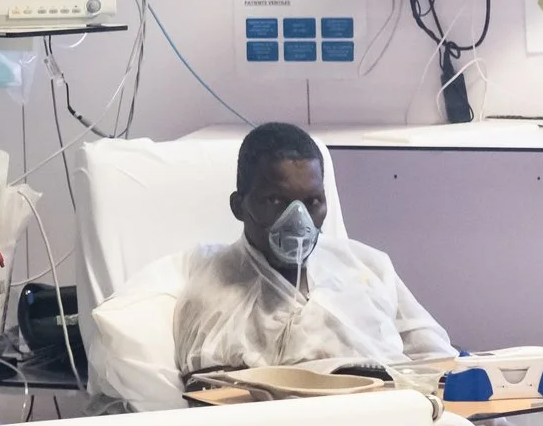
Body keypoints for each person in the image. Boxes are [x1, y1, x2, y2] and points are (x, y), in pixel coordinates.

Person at [172, 121, 451, 378]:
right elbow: (213, 402)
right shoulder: (212, 300)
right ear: (238, 207)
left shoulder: (366, 265)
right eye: (276, 200)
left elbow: (436, 357)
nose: (298, 219)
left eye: (313, 201)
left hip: (405, 418)